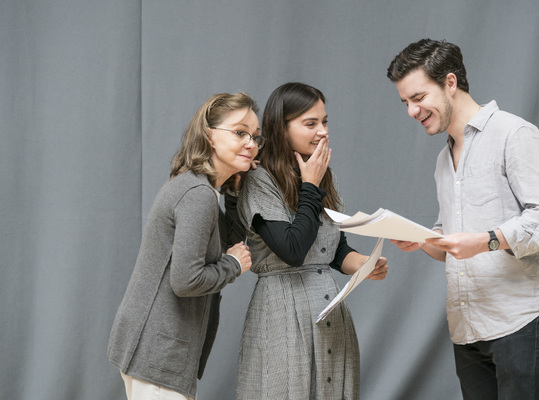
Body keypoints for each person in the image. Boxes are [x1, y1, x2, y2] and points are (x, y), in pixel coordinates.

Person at [386, 39, 539, 400]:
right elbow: (451, 243)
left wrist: (487, 239)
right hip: (467, 328)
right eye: (405, 102)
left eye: (418, 98)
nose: (411, 111)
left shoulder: (513, 134)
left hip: (520, 319)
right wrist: (422, 239)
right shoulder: (443, 160)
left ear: (450, 83)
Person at [235, 82, 389, 400]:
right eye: (310, 124)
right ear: (281, 127)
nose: (322, 131)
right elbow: (293, 250)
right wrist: (310, 187)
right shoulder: (259, 180)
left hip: (328, 311)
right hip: (283, 312)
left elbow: (333, 249)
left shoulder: (319, 175)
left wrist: (364, 264)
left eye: (325, 121)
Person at [108, 92, 264, 400]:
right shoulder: (197, 194)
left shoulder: (203, 190)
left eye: (256, 137)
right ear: (209, 136)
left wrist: (234, 192)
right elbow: (186, 280)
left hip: (156, 350)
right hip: (157, 353)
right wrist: (234, 266)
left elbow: (229, 244)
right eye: (240, 132)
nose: (251, 142)